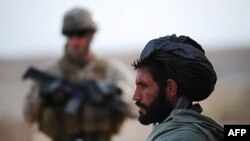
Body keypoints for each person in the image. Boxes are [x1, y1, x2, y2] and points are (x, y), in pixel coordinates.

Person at [24, 7, 135, 141]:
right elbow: (28, 117)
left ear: (92, 35)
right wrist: (43, 96)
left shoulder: (111, 70)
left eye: (80, 34)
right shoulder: (51, 73)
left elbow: (136, 109)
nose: (75, 40)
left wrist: (115, 92)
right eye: (71, 35)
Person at [132, 34, 224, 141]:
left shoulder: (181, 137)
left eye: (143, 86)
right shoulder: (189, 130)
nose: (135, 97)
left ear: (171, 88)